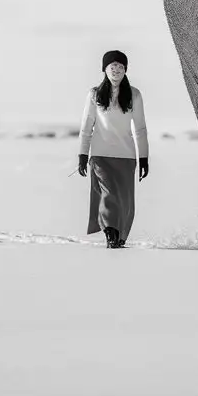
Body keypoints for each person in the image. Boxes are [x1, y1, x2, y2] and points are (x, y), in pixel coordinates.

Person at [77, 49, 149, 249]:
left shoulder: (134, 95)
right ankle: (111, 233)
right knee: (109, 197)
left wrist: (143, 158)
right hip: (101, 156)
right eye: (112, 66)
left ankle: (119, 237)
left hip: (126, 157)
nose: (116, 70)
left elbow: (141, 129)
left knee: (125, 203)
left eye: (120, 66)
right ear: (105, 70)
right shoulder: (94, 94)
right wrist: (83, 155)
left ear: (125, 70)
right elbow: (86, 126)